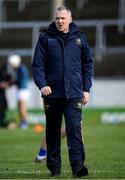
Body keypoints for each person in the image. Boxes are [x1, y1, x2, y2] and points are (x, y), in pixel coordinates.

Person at [32, 6, 93, 177]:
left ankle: (78, 167)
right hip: (52, 95)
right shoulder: (45, 38)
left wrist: (86, 89)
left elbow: (88, 64)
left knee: (74, 129)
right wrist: (42, 84)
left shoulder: (80, 37)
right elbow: (37, 65)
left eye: (63, 18)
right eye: (57, 18)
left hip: (74, 94)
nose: (59, 21)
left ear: (70, 20)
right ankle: (55, 168)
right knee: (52, 131)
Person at [8, 54, 30, 129]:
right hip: (20, 90)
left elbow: (21, 80)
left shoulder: (21, 68)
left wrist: (11, 83)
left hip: (23, 90)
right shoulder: (18, 68)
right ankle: (22, 122)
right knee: (20, 107)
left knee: (22, 107)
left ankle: (24, 123)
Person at [0, 60, 14, 127]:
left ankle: (2, 121)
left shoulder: (5, 73)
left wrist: (7, 84)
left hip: (2, 93)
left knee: (4, 106)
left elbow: (10, 81)